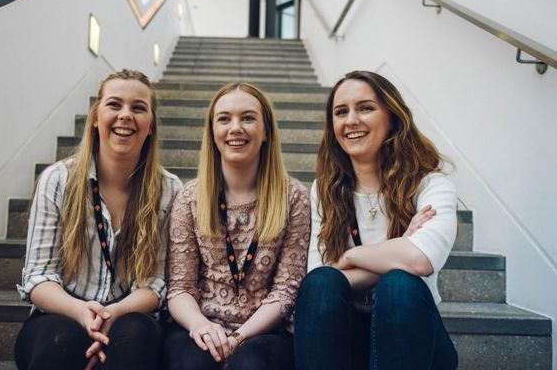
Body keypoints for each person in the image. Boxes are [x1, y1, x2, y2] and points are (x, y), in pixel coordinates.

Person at [14, 69, 182, 370]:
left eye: (138, 108)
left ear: (151, 125)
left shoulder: (169, 190)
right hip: (62, 311)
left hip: (132, 314)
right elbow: (38, 278)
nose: (125, 115)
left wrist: (112, 314)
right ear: (95, 117)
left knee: (135, 336)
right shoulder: (58, 180)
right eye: (114, 104)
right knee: (60, 344)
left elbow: (156, 284)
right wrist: (82, 312)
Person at [294, 70, 458, 370]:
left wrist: (349, 257)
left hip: (415, 337)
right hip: (346, 339)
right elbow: (322, 276)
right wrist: (398, 249)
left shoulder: (431, 185)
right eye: (341, 112)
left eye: (365, 108)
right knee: (320, 285)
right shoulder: (325, 189)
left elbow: (420, 260)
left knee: (400, 285)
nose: (351, 120)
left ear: (392, 117)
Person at [162, 83, 311, 370]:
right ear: (212, 131)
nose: (235, 127)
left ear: (266, 131)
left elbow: (286, 291)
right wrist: (202, 327)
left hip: (266, 331)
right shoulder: (190, 197)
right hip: (201, 324)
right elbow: (180, 287)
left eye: (248, 117)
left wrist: (239, 337)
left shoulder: (293, 197)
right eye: (224, 118)